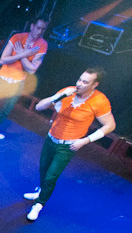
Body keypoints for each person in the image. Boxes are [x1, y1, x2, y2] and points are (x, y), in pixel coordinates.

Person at [24, 67, 116, 221]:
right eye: (79, 79)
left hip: (68, 146)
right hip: (51, 138)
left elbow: (110, 126)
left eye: (85, 82)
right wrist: (58, 97)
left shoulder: (99, 101)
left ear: (94, 85)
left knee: (51, 176)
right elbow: (39, 107)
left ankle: (39, 204)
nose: (79, 84)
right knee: (43, 169)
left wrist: (85, 140)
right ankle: (41, 192)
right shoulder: (68, 91)